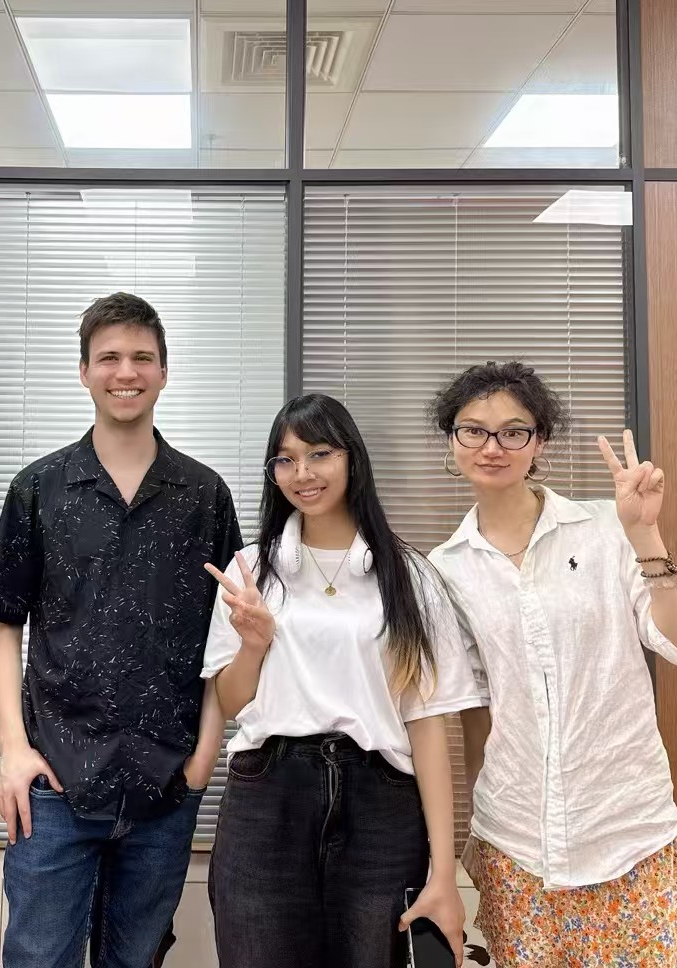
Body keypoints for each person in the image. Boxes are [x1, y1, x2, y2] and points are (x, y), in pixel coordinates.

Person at [0, 292, 240, 968]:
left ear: (164, 371)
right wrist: (13, 749)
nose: (126, 372)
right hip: (54, 782)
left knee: (137, 958)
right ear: (84, 372)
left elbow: (227, 639)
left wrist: (204, 757)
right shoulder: (38, 488)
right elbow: (3, 625)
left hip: (165, 783)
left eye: (142, 358)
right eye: (109, 358)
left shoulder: (205, 496)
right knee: (38, 957)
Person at [426, 361, 677, 967]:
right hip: (516, 839)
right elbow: (478, 714)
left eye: (513, 431)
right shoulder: (446, 568)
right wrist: (476, 830)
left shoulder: (606, 529)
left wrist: (647, 536)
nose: (492, 446)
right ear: (452, 440)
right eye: (473, 430)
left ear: (540, 442)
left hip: (626, 826)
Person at [203, 393, 486, 968]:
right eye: (285, 460)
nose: (302, 473)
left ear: (352, 458)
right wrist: (254, 644)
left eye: (319, 454)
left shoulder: (410, 576)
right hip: (268, 797)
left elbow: (428, 728)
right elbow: (231, 701)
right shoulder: (251, 572)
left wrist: (444, 871)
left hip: (381, 804)